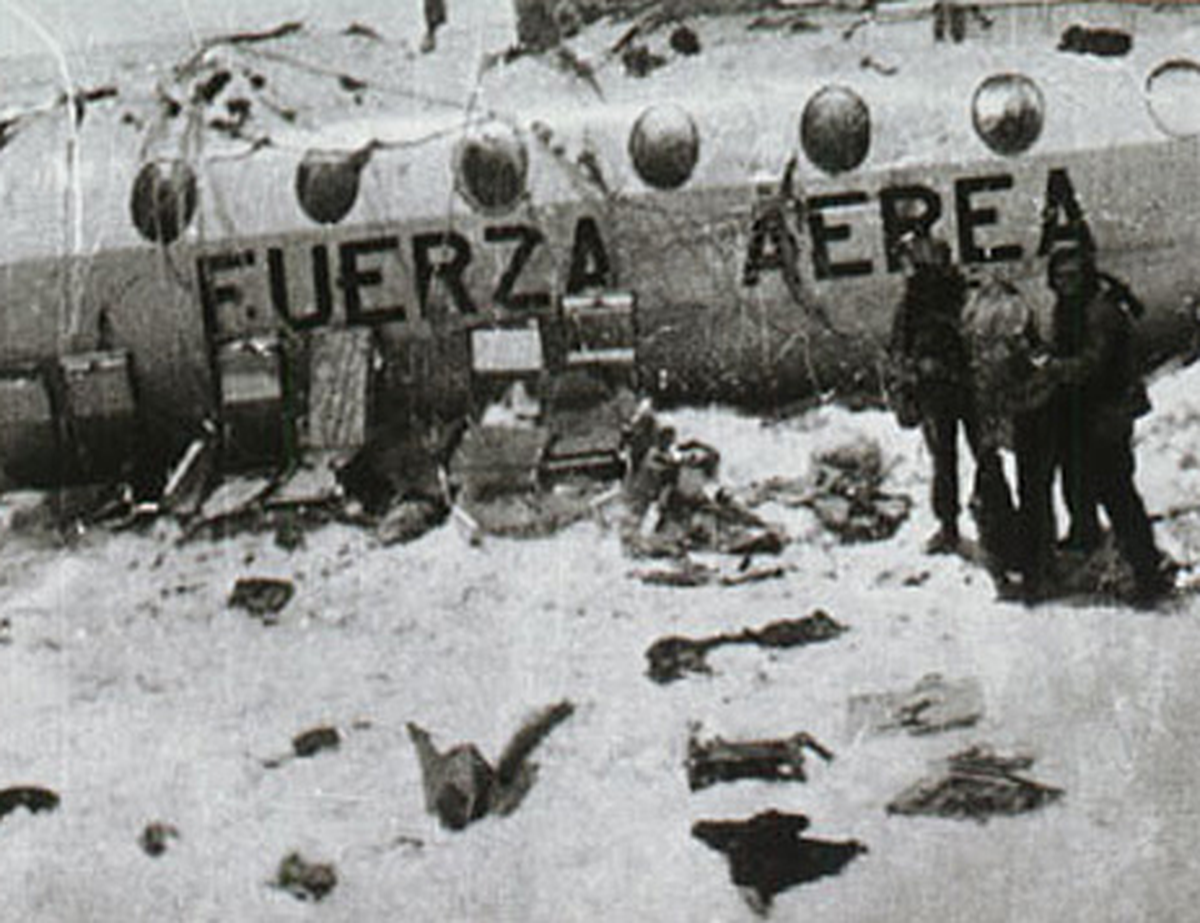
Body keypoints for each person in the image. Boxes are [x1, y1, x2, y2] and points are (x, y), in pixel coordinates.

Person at [1037, 243, 1171, 604]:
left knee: (1117, 493)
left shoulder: (1099, 312)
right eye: (1060, 277)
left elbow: (1092, 363)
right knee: (1085, 482)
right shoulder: (1072, 308)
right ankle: (1092, 540)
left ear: (1086, 276)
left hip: (1106, 412)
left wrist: (1051, 367)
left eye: (1073, 276)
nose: (1066, 283)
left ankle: (1147, 573)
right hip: (1086, 412)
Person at [888, 234, 1013, 556]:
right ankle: (988, 524)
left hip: (957, 389)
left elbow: (900, 349)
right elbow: (900, 349)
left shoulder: (935, 297)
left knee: (958, 459)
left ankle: (974, 525)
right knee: (971, 458)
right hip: (951, 390)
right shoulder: (928, 298)